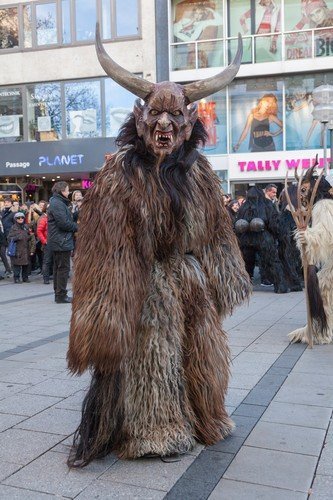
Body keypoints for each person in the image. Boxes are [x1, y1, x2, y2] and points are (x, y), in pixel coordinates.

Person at [66, 28, 250, 467]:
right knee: (155, 351)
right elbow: (104, 247)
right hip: (147, 284)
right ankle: (155, 427)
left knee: (203, 349)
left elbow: (217, 232)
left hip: (191, 280)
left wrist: (221, 278)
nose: (164, 126)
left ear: (190, 123)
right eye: (155, 115)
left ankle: (204, 416)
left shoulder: (200, 173)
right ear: (141, 117)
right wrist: (108, 313)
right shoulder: (120, 176)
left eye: (175, 117)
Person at [289, 167, 333, 344]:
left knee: (324, 287)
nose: (301, 196)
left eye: (304, 190)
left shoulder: (324, 206)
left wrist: (306, 235)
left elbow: (326, 235)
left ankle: (323, 330)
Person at [235, 186, 288, 293]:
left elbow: (237, 224)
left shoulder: (244, 207)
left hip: (246, 239)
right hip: (264, 237)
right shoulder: (268, 205)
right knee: (272, 262)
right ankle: (280, 286)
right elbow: (274, 223)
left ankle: (244, 288)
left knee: (246, 264)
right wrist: (276, 235)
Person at [48, 182, 78, 303]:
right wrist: (79, 227)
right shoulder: (57, 203)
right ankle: (60, 295)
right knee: (63, 269)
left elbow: (66, 219)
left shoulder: (58, 202)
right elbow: (63, 223)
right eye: (67, 190)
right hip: (61, 241)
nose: (68, 192)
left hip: (60, 240)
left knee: (58, 268)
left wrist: (77, 213)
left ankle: (59, 294)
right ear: (61, 191)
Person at [7, 212, 36, 284]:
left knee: (26, 264)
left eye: (22, 217)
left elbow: (30, 236)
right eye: (18, 218)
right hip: (17, 249)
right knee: (17, 264)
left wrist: (30, 237)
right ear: (15, 219)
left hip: (26, 248)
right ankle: (16, 278)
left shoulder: (26, 226)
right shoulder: (13, 228)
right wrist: (16, 238)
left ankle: (25, 278)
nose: (20, 219)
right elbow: (9, 238)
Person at [37, 209, 53, 285]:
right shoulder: (44, 219)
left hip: (55, 242)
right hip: (48, 243)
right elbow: (39, 231)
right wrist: (44, 241)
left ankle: (53, 276)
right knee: (47, 261)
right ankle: (45, 278)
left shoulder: (55, 218)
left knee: (55, 260)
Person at [0, 196, 14, 277]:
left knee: (10, 253)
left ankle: (11, 270)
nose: (6, 204)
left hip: (10, 235)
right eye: (5, 202)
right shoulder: (2, 212)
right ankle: (8, 269)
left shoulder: (13, 213)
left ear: (11, 204)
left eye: (8, 202)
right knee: (3, 254)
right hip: (2, 236)